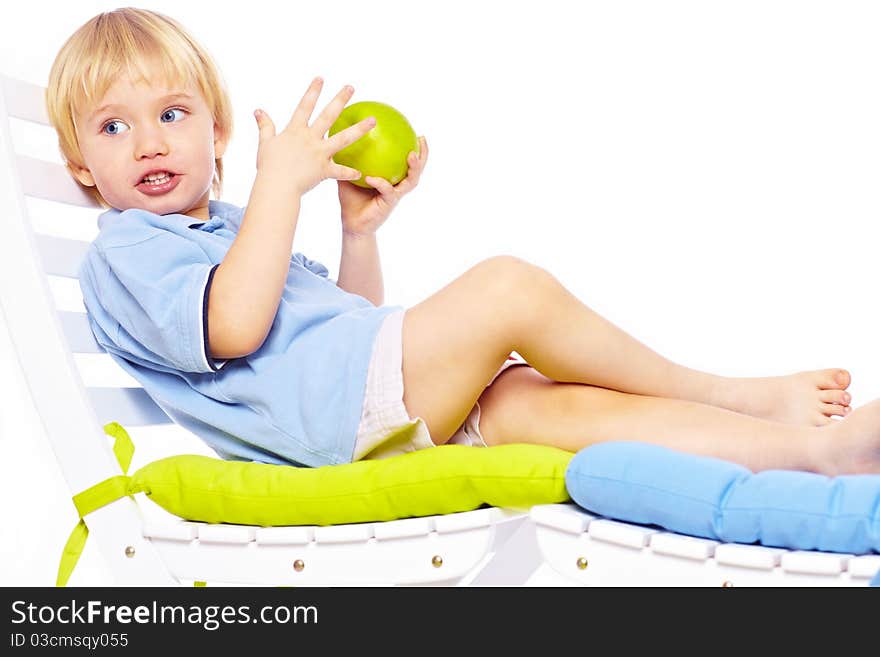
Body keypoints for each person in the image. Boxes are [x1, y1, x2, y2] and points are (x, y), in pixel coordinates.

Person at [47, 8, 880, 476]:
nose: (149, 143)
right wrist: (276, 189)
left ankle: (811, 453)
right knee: (508, 287)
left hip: (363, 397)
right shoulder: (126, 252)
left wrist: (356, 232)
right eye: (114, 126)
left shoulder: (225, 229)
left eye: (171, 114)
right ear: (83, 165)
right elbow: (231, 328)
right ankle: (728, 392)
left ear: (216, 131)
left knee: (545, 405)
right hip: (340, 423)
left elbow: (339, 320)